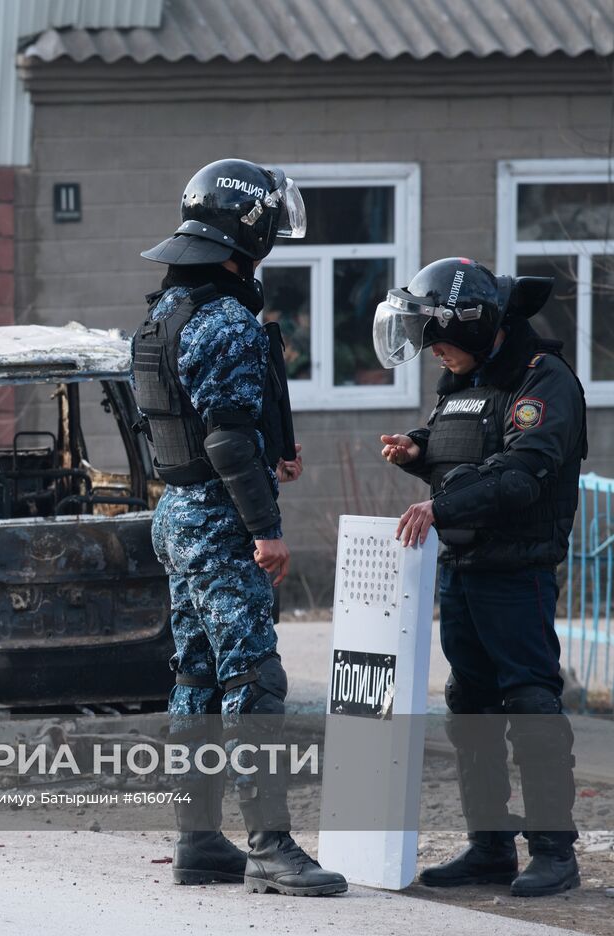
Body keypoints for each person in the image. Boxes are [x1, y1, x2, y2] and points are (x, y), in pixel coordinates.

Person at [135, 158, 344, 896]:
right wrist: (265, 528)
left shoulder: (165, 311)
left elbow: (194, 426)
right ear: (246, 234)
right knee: (254, 678)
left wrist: (266, 449)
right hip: (222, 523)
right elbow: (225, 437)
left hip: (178, 513)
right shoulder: (225, 321)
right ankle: (270, 847)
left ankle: (197, 842)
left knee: (196, 675)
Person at [375, 257, 585, 898]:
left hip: (516, 572)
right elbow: (465, 450)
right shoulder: (465, 379)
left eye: (439, 340)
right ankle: (489, 848)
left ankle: (553, 853)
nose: (433, 353)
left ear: (471, 326)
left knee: (530, 703)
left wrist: (439, 508)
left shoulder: (543, 379)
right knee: (470, 706)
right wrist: (419, 451)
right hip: (463, 569)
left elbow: (519, 474)